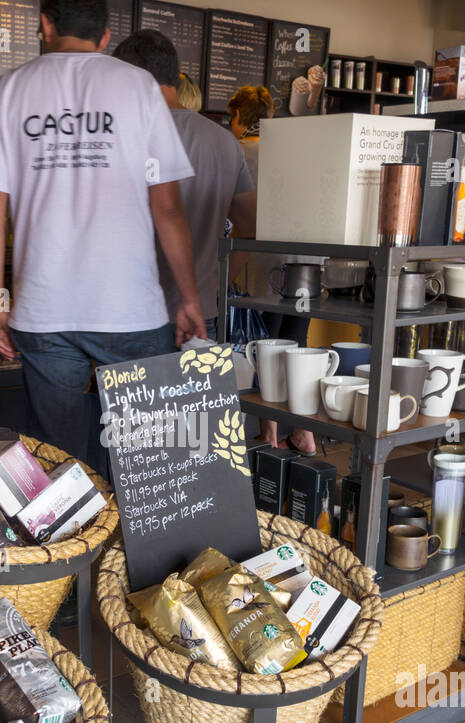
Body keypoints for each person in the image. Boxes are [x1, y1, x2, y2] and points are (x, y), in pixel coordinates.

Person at [0, 0, 203, 473]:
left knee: (59, 463)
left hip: (44, 311)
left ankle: (76, 545)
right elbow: (167, 206)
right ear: (104, 36)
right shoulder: (137, 85)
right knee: (151, 464)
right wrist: (189, 297)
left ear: (45, 24)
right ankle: (141, 545)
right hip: (131, 310)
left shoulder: (9, 90)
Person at [113, 29, 257, 344]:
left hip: (131, 318)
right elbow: (249, 227)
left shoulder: (124, 138)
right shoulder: (225, 142)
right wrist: (217, 283)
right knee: (194, 394)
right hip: (201, 314)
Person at [227, 84, 317, 455]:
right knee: (296, 348)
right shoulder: (295, 152)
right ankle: (304, 433)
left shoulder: (240, 151)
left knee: (263, 347)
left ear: (238, 117)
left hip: (260, 267)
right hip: (306, 266)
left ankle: (270, 433)